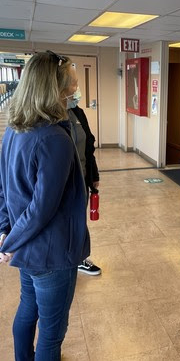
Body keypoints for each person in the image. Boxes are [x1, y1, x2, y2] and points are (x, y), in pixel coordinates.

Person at [0, 51, 90, 360]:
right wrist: (9, 242)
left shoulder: (13, 130)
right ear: (55, 89)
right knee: (52, 333)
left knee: (28, 307)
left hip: (26, 249)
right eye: (72, 86)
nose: (75, 92)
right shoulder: (54, 138)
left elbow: (3, 188)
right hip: (51, 254)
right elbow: (42, 209)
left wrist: (6, 234)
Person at [67, 89, 101, 276]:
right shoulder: (46, 117)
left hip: (81, 178)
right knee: (64, 224)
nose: (77, 90)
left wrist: (93, 175)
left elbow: (89, 145)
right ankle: (66, 260)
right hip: (62, 183)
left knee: (79, 221)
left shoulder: (78, 112)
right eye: (73, 84)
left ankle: (78, 258)